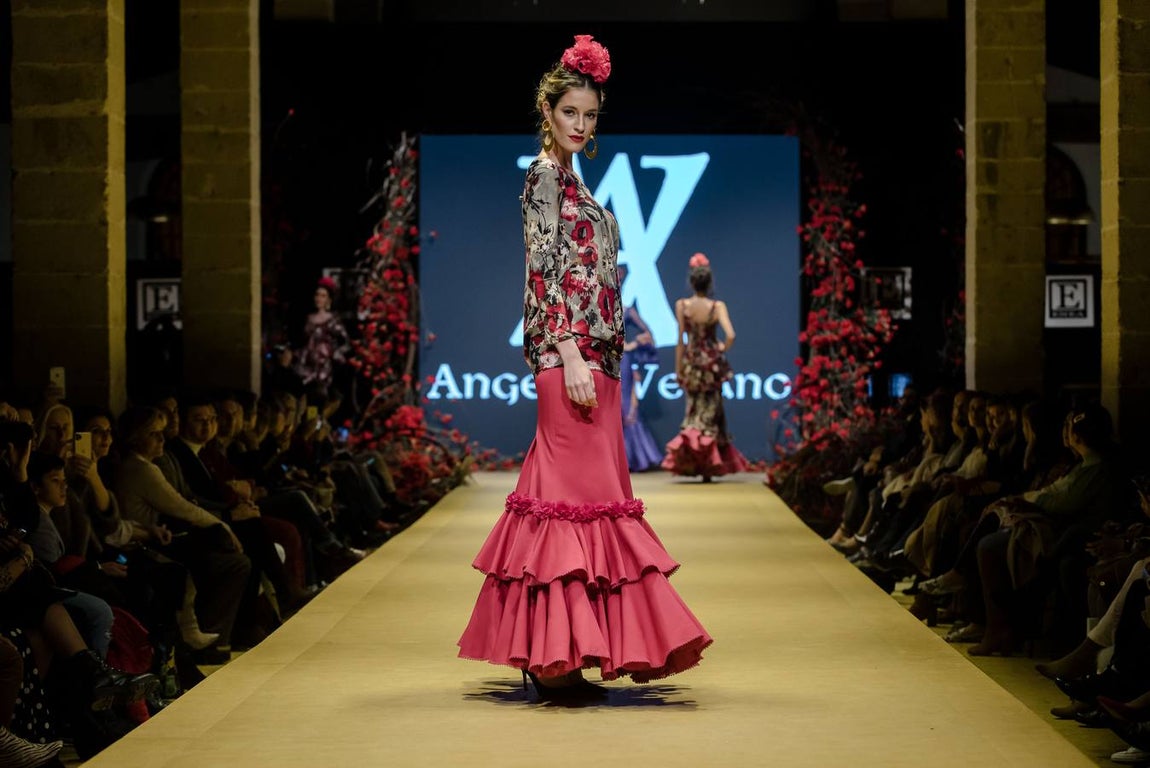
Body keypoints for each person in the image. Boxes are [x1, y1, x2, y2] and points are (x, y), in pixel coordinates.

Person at [456, 34, 712, 699]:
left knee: (578, 503)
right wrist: (568, 351)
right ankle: (558, 658)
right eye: (571, 111)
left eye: (590, 115)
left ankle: (561, 653)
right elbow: (543, 272)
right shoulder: (544, 175)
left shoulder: (573, 179)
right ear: (548, 111)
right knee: (570, 507)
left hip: (596, 358)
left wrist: (590, 354)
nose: (581, 124)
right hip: (568, 357)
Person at [661, 252, 748, 481]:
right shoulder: (717, 306)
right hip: (712, 365)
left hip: (692, 362)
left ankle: (697, 462)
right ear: (709, 283)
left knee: (693, 411)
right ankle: (709, 466)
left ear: (692, 282)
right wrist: (720, 348)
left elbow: (681, 339)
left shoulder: (683, 305)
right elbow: (731, 335)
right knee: (711, 412)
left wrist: (678, 368)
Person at [617, 264, 663, 472]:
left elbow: (648, 332)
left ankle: (630, 458)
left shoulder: (627, 311)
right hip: (602, 359)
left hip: (622, 360)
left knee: (625, 403)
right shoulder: (599, 311)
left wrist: (632, 345)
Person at [294, 277, 349, 397]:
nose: (319, 298)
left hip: (324, 366)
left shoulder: (333, 320)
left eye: (323, 296)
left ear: (328, 300)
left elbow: (346, 343)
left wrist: (334, 353)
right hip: (307, 365)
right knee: (308, 398)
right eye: (317, 295)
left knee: (321, 396)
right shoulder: (309, 318)